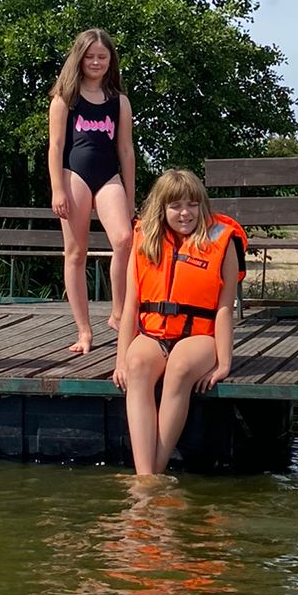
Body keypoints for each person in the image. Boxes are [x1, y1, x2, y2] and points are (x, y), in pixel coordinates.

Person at [114, 169, 245, 478]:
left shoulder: (223, 241)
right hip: (154, 333)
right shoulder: (143, 239)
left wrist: (224, 363)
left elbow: (225, 308)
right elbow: (131, 305)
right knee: (136, 366)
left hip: (199, 336)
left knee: (180, 367)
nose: (185, 213)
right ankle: (146, 476)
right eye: (175, 206)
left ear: (202, 206)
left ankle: (153, 473)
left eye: (192, 205)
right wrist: (120, 359)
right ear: (162, 208)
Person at [48, 29, 136, 355]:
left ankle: (118, 312)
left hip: (108, 176)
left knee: (124, 240)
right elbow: (55, 147)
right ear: (79, 58)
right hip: (74, 176)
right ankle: (84, 330)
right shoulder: (65, 99)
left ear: (111, 60)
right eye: (90, 56)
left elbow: (126, 150)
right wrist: (57, 189)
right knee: (75, 253)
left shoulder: (118, 101)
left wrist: (130, 196)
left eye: (102, 56)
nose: (96, 62)